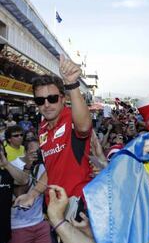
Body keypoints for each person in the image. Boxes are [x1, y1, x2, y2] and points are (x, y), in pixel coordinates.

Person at [14, 55, 93, 210]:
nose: (46, 104)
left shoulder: (72, 117)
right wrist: (32, 194)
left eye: (52, 98)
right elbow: (52, 168)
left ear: (63, 99)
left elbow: (84, 128)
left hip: (78, 205)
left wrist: (72, 84)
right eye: (40, 100)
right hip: (54, 209)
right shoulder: (42, 128)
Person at [7, 138, 54, 243]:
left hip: (40, 223)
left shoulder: (44, 167)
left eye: (40, 151)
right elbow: (20, 197)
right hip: (18, 227)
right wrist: (28, 167)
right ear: (25, 152)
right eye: (34, 152)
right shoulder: (14, 165)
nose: (37, 155)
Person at [0, 144, 29, 243]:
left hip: (3, 232)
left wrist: (6, 164)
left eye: (1, 150)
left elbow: (23, 180)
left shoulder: (7, 172)